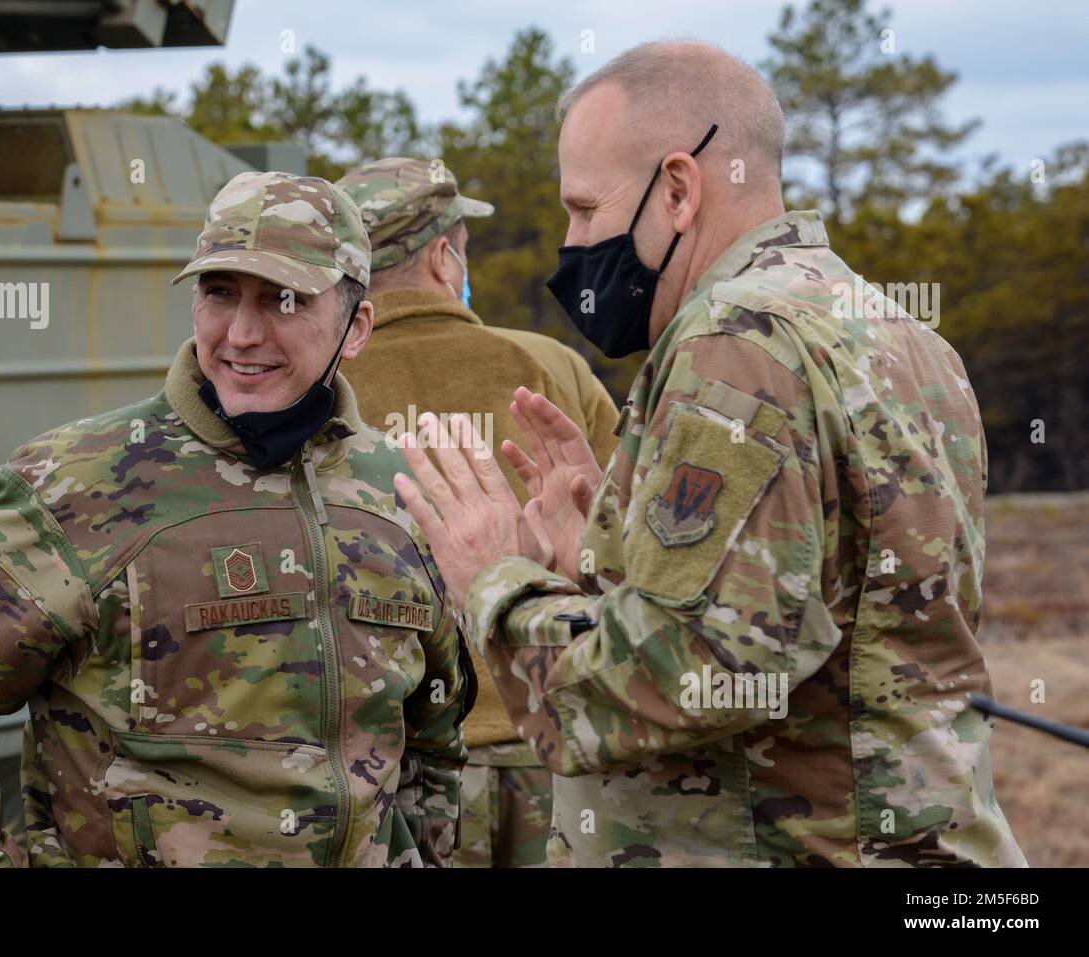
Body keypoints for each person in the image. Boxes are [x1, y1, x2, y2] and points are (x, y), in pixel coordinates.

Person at [394, 41, 1026, 867]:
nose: (571, 240)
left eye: (584, 209)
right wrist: (608, 555)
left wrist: (496, 581)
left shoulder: (736, 341)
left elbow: (695, 670)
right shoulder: (900, 333)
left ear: (680, 189)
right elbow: (838, 620)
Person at [0, 170, 474, 868]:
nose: (241, 333)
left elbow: (435, 737)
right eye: (219, 293)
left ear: (355, 327)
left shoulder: (400, 490)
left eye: (283, 299)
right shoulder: (77, 481)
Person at [336, 156, 619, 867]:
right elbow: (628, 543)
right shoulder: (551, 366)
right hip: (554, 746)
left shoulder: (315, 382)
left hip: (394, 766)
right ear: (442, 256)